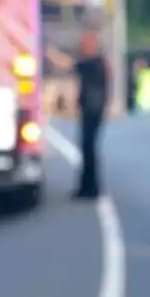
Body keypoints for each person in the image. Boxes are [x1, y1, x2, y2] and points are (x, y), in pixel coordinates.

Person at [47, 31, 110, 199]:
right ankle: (87, 186)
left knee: (88, 149)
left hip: (92, 111)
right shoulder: (97, 62)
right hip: (92, 110)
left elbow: (69, 65)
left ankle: (90, 188)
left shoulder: (94, 62)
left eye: (85, 44)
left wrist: (51, 53)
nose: (82, 48)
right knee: (87, 149)